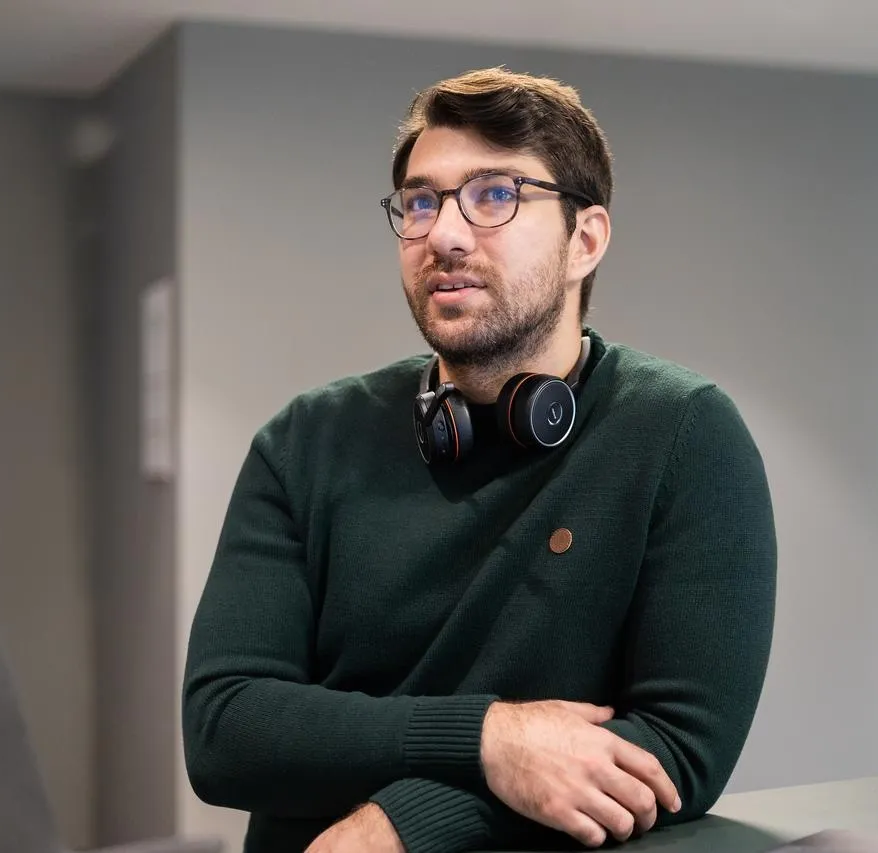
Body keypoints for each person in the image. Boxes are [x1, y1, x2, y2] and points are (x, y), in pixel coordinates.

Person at [181, 66, 778, 853]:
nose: (445, 235)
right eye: (421, 203)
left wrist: (406, 823)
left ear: (585, 240)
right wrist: (490, 739)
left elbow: (677, 751)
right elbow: (227, 729)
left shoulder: (682, 434)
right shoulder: (305, 442)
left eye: (495, 195)